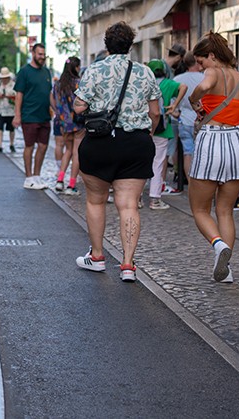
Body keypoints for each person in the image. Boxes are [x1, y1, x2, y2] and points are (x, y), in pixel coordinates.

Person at [72, 22, 160, 283]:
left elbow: (79, 108)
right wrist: (148, 132)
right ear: (131, 45)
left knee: (96, 200)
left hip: (100, 143)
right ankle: (128, 264)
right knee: (129, 204)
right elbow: (155, 112)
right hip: (136, 143)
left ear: (106, 45)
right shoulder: (145, 72)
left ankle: (97, 257)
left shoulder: (95, 70)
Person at [187, 32, 239, 283]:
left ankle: (217, 246)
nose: (200, 67)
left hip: (212, 139)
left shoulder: (212, 73)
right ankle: (227, 268)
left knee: (200, 209)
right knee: (225, 210)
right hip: (235, 141)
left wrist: (195, 102)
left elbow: (203, 87)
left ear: (212, 56)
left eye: (201, 61)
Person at [145, 60, 186, 210]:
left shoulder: (144, 83)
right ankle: (155, 199)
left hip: (143, 128)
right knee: (158, 163)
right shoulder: (169, 83)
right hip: (163, 129)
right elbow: (184, 87)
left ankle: (136, 198)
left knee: (141, 163)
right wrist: (175, 105)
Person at [14, 43, 53, 190]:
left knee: (43, 146)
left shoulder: (46, 72)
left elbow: (49, 94)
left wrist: (56, 109)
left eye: (44, 54)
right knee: (29, 146)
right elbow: (19, 94)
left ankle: (37, 176)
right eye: (40, 54)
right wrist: (17, 115)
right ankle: (28, 177)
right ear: (33, 54)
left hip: (44, 116)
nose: (42, 57)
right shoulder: (24, 72)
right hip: (29, 115)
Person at [50, 57, 86, 194]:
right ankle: (71, 185)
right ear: (76, 68)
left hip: (64, 123)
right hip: (78, 122)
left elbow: (53, 100)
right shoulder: (78, 83)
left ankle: (60, 180)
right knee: (76, 153)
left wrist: (59, 113)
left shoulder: (58, 84)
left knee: (67, 151)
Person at [172, 53, 206, 192]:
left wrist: (178, 114)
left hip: (184, 118)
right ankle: (203, 184)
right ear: (198, 62)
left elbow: (172, 104)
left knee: (188, 152)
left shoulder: (177, 79)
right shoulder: (204, 78)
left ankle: (191, 184)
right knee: (202, 152)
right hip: (202, 119)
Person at [0, 67, 17, 153]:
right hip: (0, 109)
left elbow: (17, 96)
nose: (4, 79)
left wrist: (11, 97)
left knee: (11, 128)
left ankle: (11, 144)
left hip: (11, 110)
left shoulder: (13, 85)